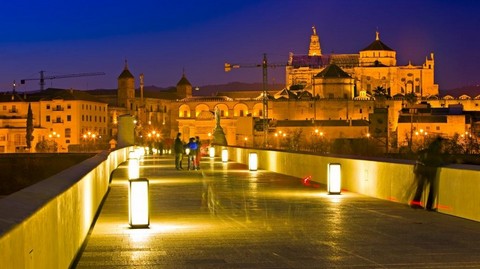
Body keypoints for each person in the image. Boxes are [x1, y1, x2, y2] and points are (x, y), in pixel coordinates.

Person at [411, 137, 443, 210]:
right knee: (431, 189)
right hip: (429, 170)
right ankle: (429, 207)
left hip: (421, 170)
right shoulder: (435, 150)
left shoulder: (427, 150)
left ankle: (415, 203)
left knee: (420, 187)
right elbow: (437, 160)